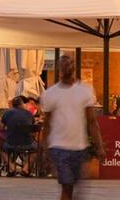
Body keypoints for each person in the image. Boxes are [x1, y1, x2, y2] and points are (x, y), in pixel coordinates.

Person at [40, 55, 99, 200]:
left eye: (70, 63)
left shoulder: (85, 91)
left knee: (76, 188)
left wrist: (99, 145)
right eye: (64, 64)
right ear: (59, 69)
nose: (67, 66)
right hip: (58, 146)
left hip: (79, 146)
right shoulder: (50, 94)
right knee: (67, 186)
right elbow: (46, 124)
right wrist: (44, 149)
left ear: (74, 68)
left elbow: (92, 121)